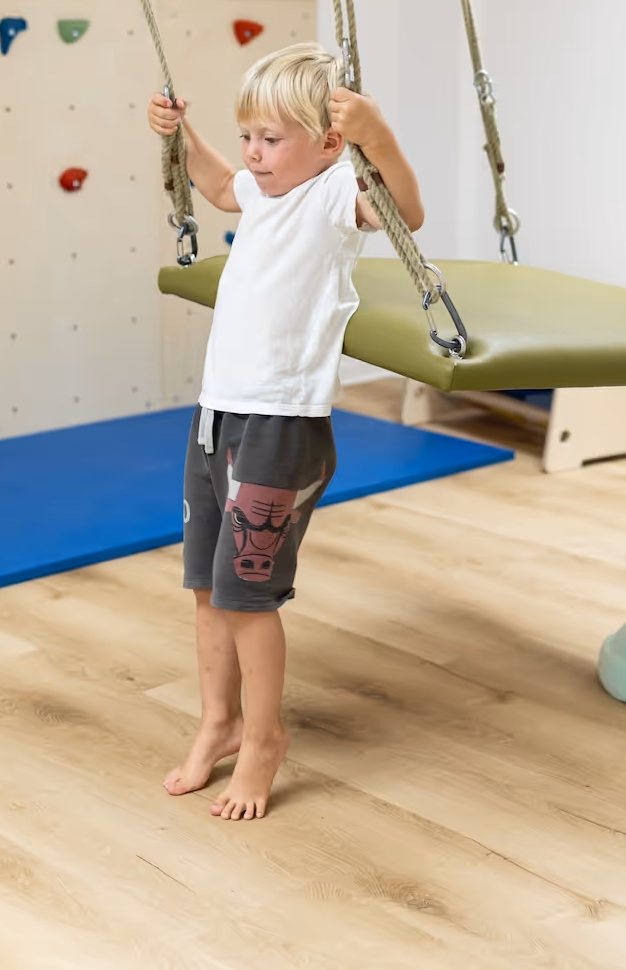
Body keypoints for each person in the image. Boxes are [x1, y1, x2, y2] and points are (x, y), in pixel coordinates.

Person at [146, 43, 425, 820]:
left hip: (282, 426)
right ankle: (219, 722)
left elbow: (406, 214)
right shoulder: (264, 190)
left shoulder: (336, 192)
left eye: (271, 140)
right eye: (248, 137)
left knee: (247, 599)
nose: (254, 155)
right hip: (218, 415)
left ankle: (265, 739)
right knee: (206, 590)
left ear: (329, 144)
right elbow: (212, 182)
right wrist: (182, 135)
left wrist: (378, 137)